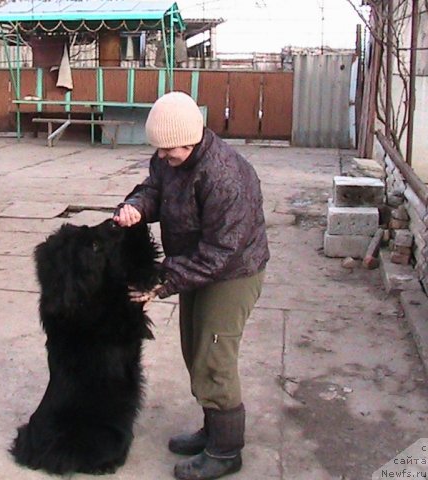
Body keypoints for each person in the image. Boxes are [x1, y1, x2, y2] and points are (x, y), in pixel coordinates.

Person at [112, 91, 269, 480]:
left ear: (192, 138)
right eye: (160, 152)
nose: (163, 158)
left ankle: (226, 450)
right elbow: (154, 188)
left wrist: (163, 279)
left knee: (214, 356)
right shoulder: (169, 158)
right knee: (194, 349)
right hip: (195, 266)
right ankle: (212, 427)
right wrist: (137, 205)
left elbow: (221, 253)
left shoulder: (226, 176)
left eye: (169, 151)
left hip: (232, 273)